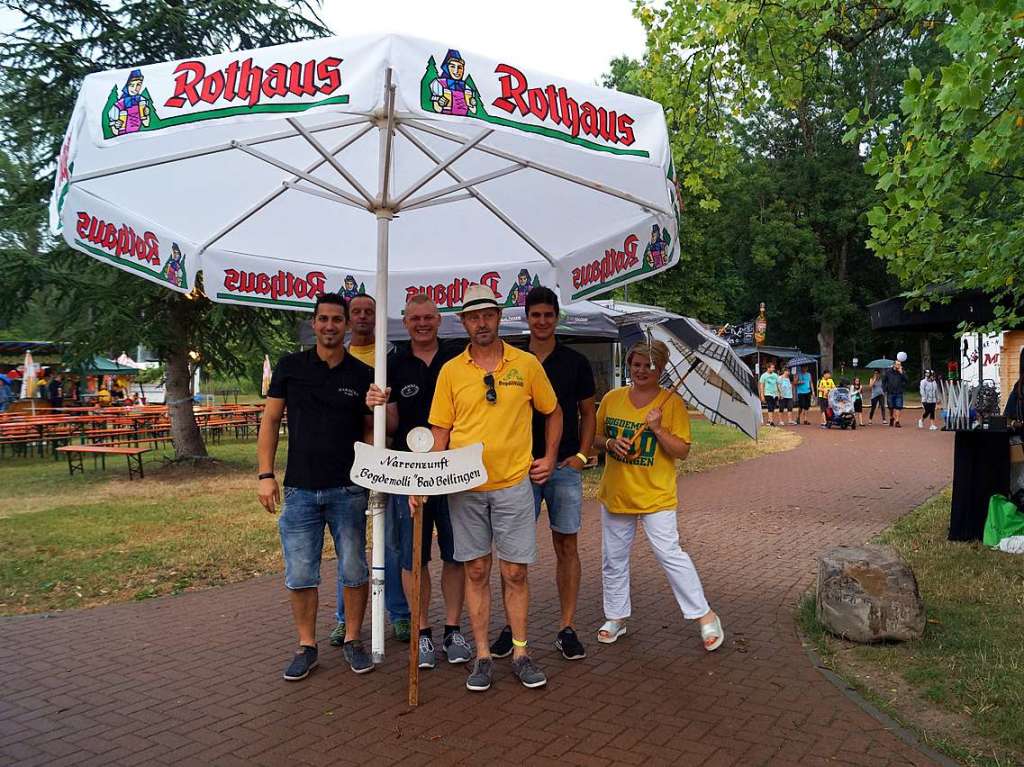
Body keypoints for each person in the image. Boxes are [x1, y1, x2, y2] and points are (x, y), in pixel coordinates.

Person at [427, 283, 562, 692]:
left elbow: (553, 412)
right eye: (473, 316)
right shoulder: (451, 371)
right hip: (465, 488)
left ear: (499, 317)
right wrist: (430, 478)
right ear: (464, 322)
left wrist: (551, 457)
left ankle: (521, 652)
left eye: (488, 314)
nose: (481, 322)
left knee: (515, 571)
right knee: (477, 569)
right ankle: (483, 655)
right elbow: (441, 432)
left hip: (514, 485)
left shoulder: (526, 365)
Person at [257, 292, 376, 680]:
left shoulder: (361, 375)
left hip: (348, 489)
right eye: (322, 319)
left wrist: (377, 470)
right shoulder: (291, 367)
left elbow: (371, 429)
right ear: (313, 323)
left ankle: (354, 640)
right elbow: (271, 421)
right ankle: (306, 646)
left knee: (355, 568)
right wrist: (264, 474)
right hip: (300, 490)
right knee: (301, 573)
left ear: (346, 325)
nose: (329, 326)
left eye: (336, 320)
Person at [593, 340, 724, 651]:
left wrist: (658, 429)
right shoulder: (612, 399)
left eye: (649, 366)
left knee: (670, 554)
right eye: (636, 364)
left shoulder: (671, 404)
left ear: (661, 369)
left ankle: (705, 616)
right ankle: (616, 616)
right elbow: (595, 438)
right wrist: (611, 445)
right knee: (613, 560)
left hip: (656, 496)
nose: (641, 371)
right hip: (618, 493)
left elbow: (683, 451)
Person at [365, 294, 472, 670]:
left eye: (428, 317)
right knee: (414, 556)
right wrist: (378, 406)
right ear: (405, 322)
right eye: (415, 318)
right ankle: (423, 631)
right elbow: (391, 427)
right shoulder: (391, 365)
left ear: (440, 320)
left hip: (455, 468)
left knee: (457, 553)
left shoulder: (460, 359)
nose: (422, 323)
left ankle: (453, 629)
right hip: (409, 472)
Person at [490, 286, 594, 662]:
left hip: (564, 466)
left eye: (549, 315)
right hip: (519, 467)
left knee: (566, 545)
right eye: (536, 315)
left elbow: (588, 412)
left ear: (557, 317)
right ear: (526, 318)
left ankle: (566, 627)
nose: (542, 321)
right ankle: (509, 625)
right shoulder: (510, 359)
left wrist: (582, 454)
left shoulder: (575, 361)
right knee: (513, 553)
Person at [333, 292, 411, 646]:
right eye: (357, 312)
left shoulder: (393, 357)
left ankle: (398, 613)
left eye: (370, 312)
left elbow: (396, 415)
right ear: (349, 319)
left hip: (387, 460)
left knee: (391, 540)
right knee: (349, 544)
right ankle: (343, 619)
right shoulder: (337, 358)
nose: (363, 317)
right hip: (346, 463)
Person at [883, 361, 908, 427]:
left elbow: (906, 380)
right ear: (894, 365)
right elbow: (884, 381)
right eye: (897, 364)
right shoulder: (888, 372)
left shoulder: (902, 372)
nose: (898, 365)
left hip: (899, 392)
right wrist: (884, 389)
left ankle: (897, 421)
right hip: (890, 392)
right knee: (890, 407)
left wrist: (901, 373)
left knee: (898, 407)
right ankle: (891, 418)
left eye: (899, 364)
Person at [758, 361, 780, 427]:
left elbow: (777, 384)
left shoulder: (775, 375)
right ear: (768, 368)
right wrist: (762, 395)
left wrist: (779, 393)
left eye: (774, 368)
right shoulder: (763, 376)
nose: (773, 369)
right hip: (767, 393)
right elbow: (761, 385)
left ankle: (769, 420)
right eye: (772, 368)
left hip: (775, 393)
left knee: (773, 407)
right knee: (770, 406)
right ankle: (771, 421)